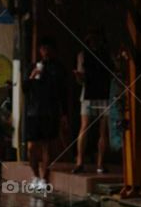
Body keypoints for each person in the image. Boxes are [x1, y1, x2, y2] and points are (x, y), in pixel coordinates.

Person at [24, 37, 65, 190]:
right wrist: (32, 75)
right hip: (33, 111)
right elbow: (25, 88)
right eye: (43, 48)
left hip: (50, 110)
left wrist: (63, 113)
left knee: (48, 145)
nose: (45, 52)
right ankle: (34, 174)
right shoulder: (34, 66)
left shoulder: (58, 68)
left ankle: (44, 177)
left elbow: (61, 90)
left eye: (48, 48)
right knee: (31, 147)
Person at [74, 31, 112, 174]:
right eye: (91, 40)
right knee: (85, 127)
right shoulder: (83, 55)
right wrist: (79, 76)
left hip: (104, 93)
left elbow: (113, 70)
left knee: (103, 130)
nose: (94, 43)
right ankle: (80, 161)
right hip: (89, 93)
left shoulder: (106, 54)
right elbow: (80, 79)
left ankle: (100, 163)